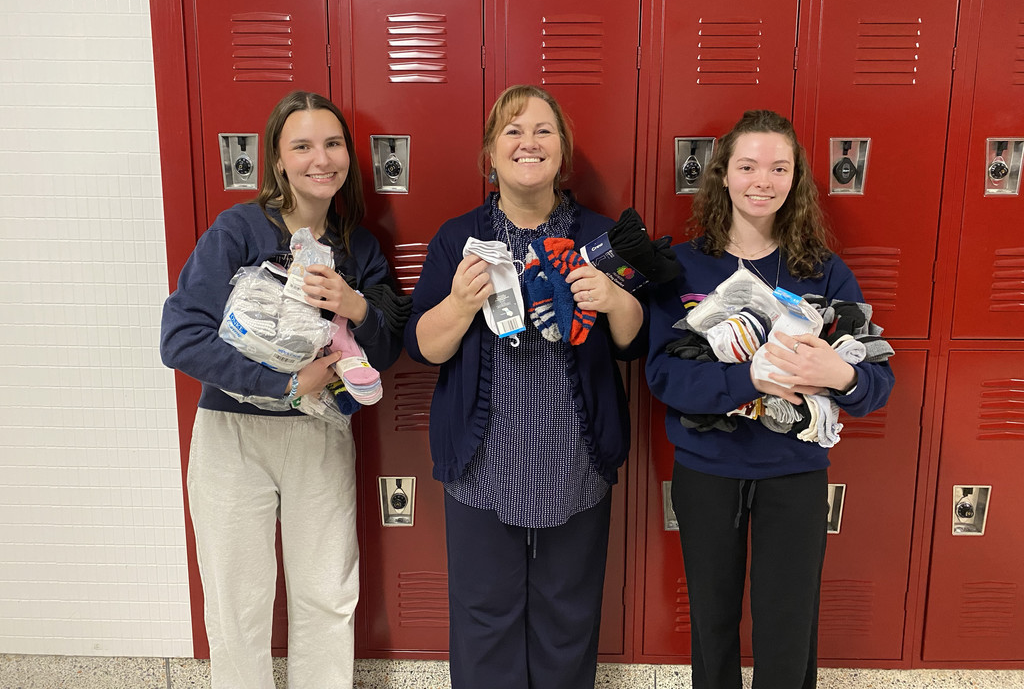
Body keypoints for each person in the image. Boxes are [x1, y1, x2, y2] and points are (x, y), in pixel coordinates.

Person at [404, 84, 647, 689]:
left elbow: (635, 343)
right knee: (484, 620)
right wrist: (460, 304)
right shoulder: (457, 239)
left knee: (569, 619)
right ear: (490, 152)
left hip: (575, 462)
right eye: (512, 131)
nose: (528, 142)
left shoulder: (600, 237)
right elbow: (422, 346)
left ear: (563, 152)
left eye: (543, 131)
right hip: (484, 465)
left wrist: (616, 300)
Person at [160, 90, 404, 689]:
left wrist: (355, 304)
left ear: (348, 155)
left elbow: (393, 344)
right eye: (302, 146)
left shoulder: (359, 247)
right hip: (233, 436)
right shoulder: (239, 230)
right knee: (236, 602)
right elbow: (180, 338)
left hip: (318, 436)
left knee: (327, 593)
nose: (320, 159)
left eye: (332, 144)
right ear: (276, 160)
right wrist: (286, 382)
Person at [645, 110, 895, 689]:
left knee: (789, 622)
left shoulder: (825, 274)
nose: (763, 180)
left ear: (795, 180)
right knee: (712, 620)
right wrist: (747, 381)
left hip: (794, 472)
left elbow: (875, 385)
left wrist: (842, 374)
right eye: (749, 166)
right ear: (724, 175)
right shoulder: (683, 267)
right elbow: (663, 375)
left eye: (779, 168)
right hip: (708, 471)